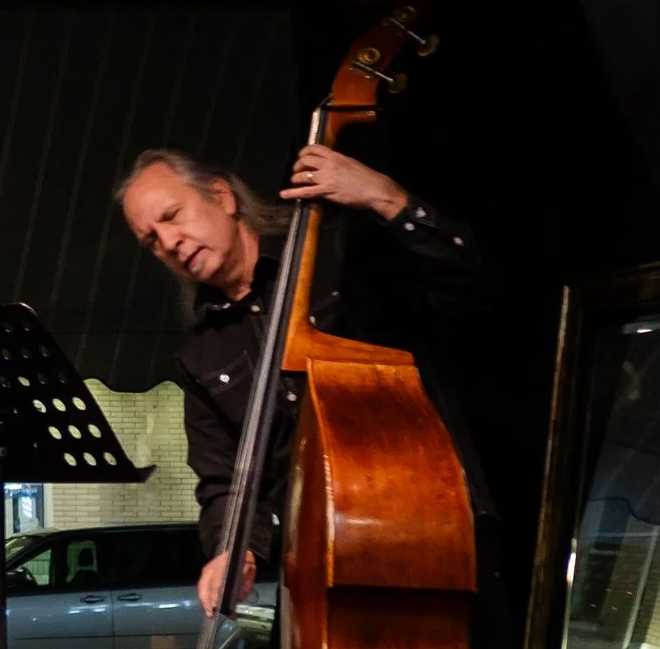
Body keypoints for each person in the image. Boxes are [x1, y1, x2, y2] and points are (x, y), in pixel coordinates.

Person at [115, 144, 483, 615]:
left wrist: (387, 199)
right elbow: (223, 477)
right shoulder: (201, 351)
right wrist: (233, 549)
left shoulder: (336, 255)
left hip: (430, 527)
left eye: (172, 215)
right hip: (315, 564)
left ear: (221, 196)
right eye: (151, 240)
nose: (168, 242)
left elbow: (471, 288)